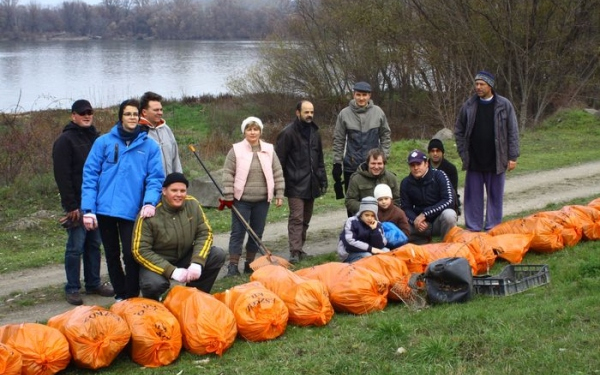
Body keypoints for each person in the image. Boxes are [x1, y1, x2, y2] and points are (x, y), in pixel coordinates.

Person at [81, 99, 165, 301]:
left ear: (140, 117)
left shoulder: (150, 146)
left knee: (131, 254)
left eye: (135, 114)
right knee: (111, 254)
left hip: (132, 210)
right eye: (128, 114)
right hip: (105, 209)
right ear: (121, 117)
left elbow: (155, 178)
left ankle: (133, 294)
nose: (132, 118)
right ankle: (120, 294)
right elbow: (90, 175)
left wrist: (149, 202)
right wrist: (88, 208)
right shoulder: (103, 142)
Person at [52, 99, 114, 305]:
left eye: (90, 112)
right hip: (77, 203)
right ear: (73, 116)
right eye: (82, 113)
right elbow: (62, 175)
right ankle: (72, 288)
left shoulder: (96, 138)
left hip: (96, 202)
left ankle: (93, 283)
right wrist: (71, 206)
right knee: (75, 246)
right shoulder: (65, 141)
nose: (87, 116)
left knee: (94, 244)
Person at [132, 173, 227, 300]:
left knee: (217, 255)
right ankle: (154, 303)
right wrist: (172, 271)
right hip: (159, 259)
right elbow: (140, 250)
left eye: (183, 191)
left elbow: (204, 233)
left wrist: (197, 262)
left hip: (184, 255)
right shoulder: (149, 212)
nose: (179, 194)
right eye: (174, 190)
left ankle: (193, 296)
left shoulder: (192, 204)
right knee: (153, 284)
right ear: (164, 191)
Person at [454, 71, 520, 231]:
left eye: (481, 84)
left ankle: (493, 226)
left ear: (490, 85)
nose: (478, 87)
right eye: (476, 84)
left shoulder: (504, 105)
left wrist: (513, 156)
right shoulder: (469, 105)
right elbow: (459, 130)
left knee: (495, 196)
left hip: (497, 159)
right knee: (473, 197)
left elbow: (513, 131)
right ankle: (473, 227)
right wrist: (464, 153)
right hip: (474, 159)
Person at [221, 116, 285, 277]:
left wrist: (279, 193)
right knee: (237, 232)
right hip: (241, 200)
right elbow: (228, 173)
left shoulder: (269, 149)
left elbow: (277, 172)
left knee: (257, 232)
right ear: (244, 131)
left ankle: (250, 264)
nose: (252, 132)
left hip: (262, 200)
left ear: (260, 131)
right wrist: (228, 195)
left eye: (255, 129)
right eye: (249, 129)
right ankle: (233, 266)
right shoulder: (236, 150)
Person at [275, 100, 327, 264]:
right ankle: (294, 251)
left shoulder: (315, 132)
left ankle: (300, 248)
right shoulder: (288, 133)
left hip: (312, 183)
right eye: (306, 112)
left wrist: (322, 179)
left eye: (311, 112)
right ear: (298, 112)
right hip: (294, 183)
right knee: (296, 218)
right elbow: (279, 161)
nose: (309, 115)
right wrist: (279, 185)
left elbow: (320, 159)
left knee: (306, 218)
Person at [332, 81, 391, 196]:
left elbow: (386, 136)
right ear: (353, 95)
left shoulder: (378, 112)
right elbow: (339, 140)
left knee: (375, 201)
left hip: (374, 165)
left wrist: (383, 157)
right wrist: (337, 163)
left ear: (369, 96)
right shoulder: (344, 114)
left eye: (364, 95)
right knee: (352, 201)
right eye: (358, 95)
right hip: (351, 166)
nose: (361, 98)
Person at [400, 149, 457, 244]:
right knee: (400, 228)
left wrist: (425, 214)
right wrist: (415, 220)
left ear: (426, 164)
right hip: (418, 224)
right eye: (412, 165)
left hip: (438, 221)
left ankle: (448, 245)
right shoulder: (405, 183)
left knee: (450, 215)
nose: (416, 168)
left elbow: (449, 200)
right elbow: (405, 208)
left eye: (418, 164)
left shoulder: (439, 175)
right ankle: (421, 241)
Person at [345, 148, 400, 216]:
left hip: (387, 217)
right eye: (373, 163)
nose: (376, 167)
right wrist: (367, 209)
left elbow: (397, 200)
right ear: (368, 163)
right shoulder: (356, 179)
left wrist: (386, 210)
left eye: (379, 163)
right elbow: (350, 201)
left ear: (384, 164)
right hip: (364, 217)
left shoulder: (391, 178)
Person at [139, 91, 183, 175]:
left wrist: (179, 181)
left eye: (161, 109)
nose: (160, 113)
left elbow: (175, 159)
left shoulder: (166, 129)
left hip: (169, 185)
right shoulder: (138, 133)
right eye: (156, 110)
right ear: (144, 112)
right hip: (150, 187)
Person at [337, 196, 387, 263]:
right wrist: (370, 249)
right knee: (367, 256)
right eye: (367, 215)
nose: (369, 218)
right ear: (361, 214)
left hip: (370, 250)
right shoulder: (351, 222)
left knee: (386, 251)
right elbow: (349, 242)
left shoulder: (377, 224)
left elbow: (381, 245)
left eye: (372, 216)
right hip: (351, 253)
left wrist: (374, 231)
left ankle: (380, 271)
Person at [427, 138, 461, 215]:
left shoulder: (450, 168)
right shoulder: (423, 167)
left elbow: (453, 190)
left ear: (442, 153)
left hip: (445, 199)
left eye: (438, 151)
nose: (435, 154)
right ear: (429, 153)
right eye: (432, 151)